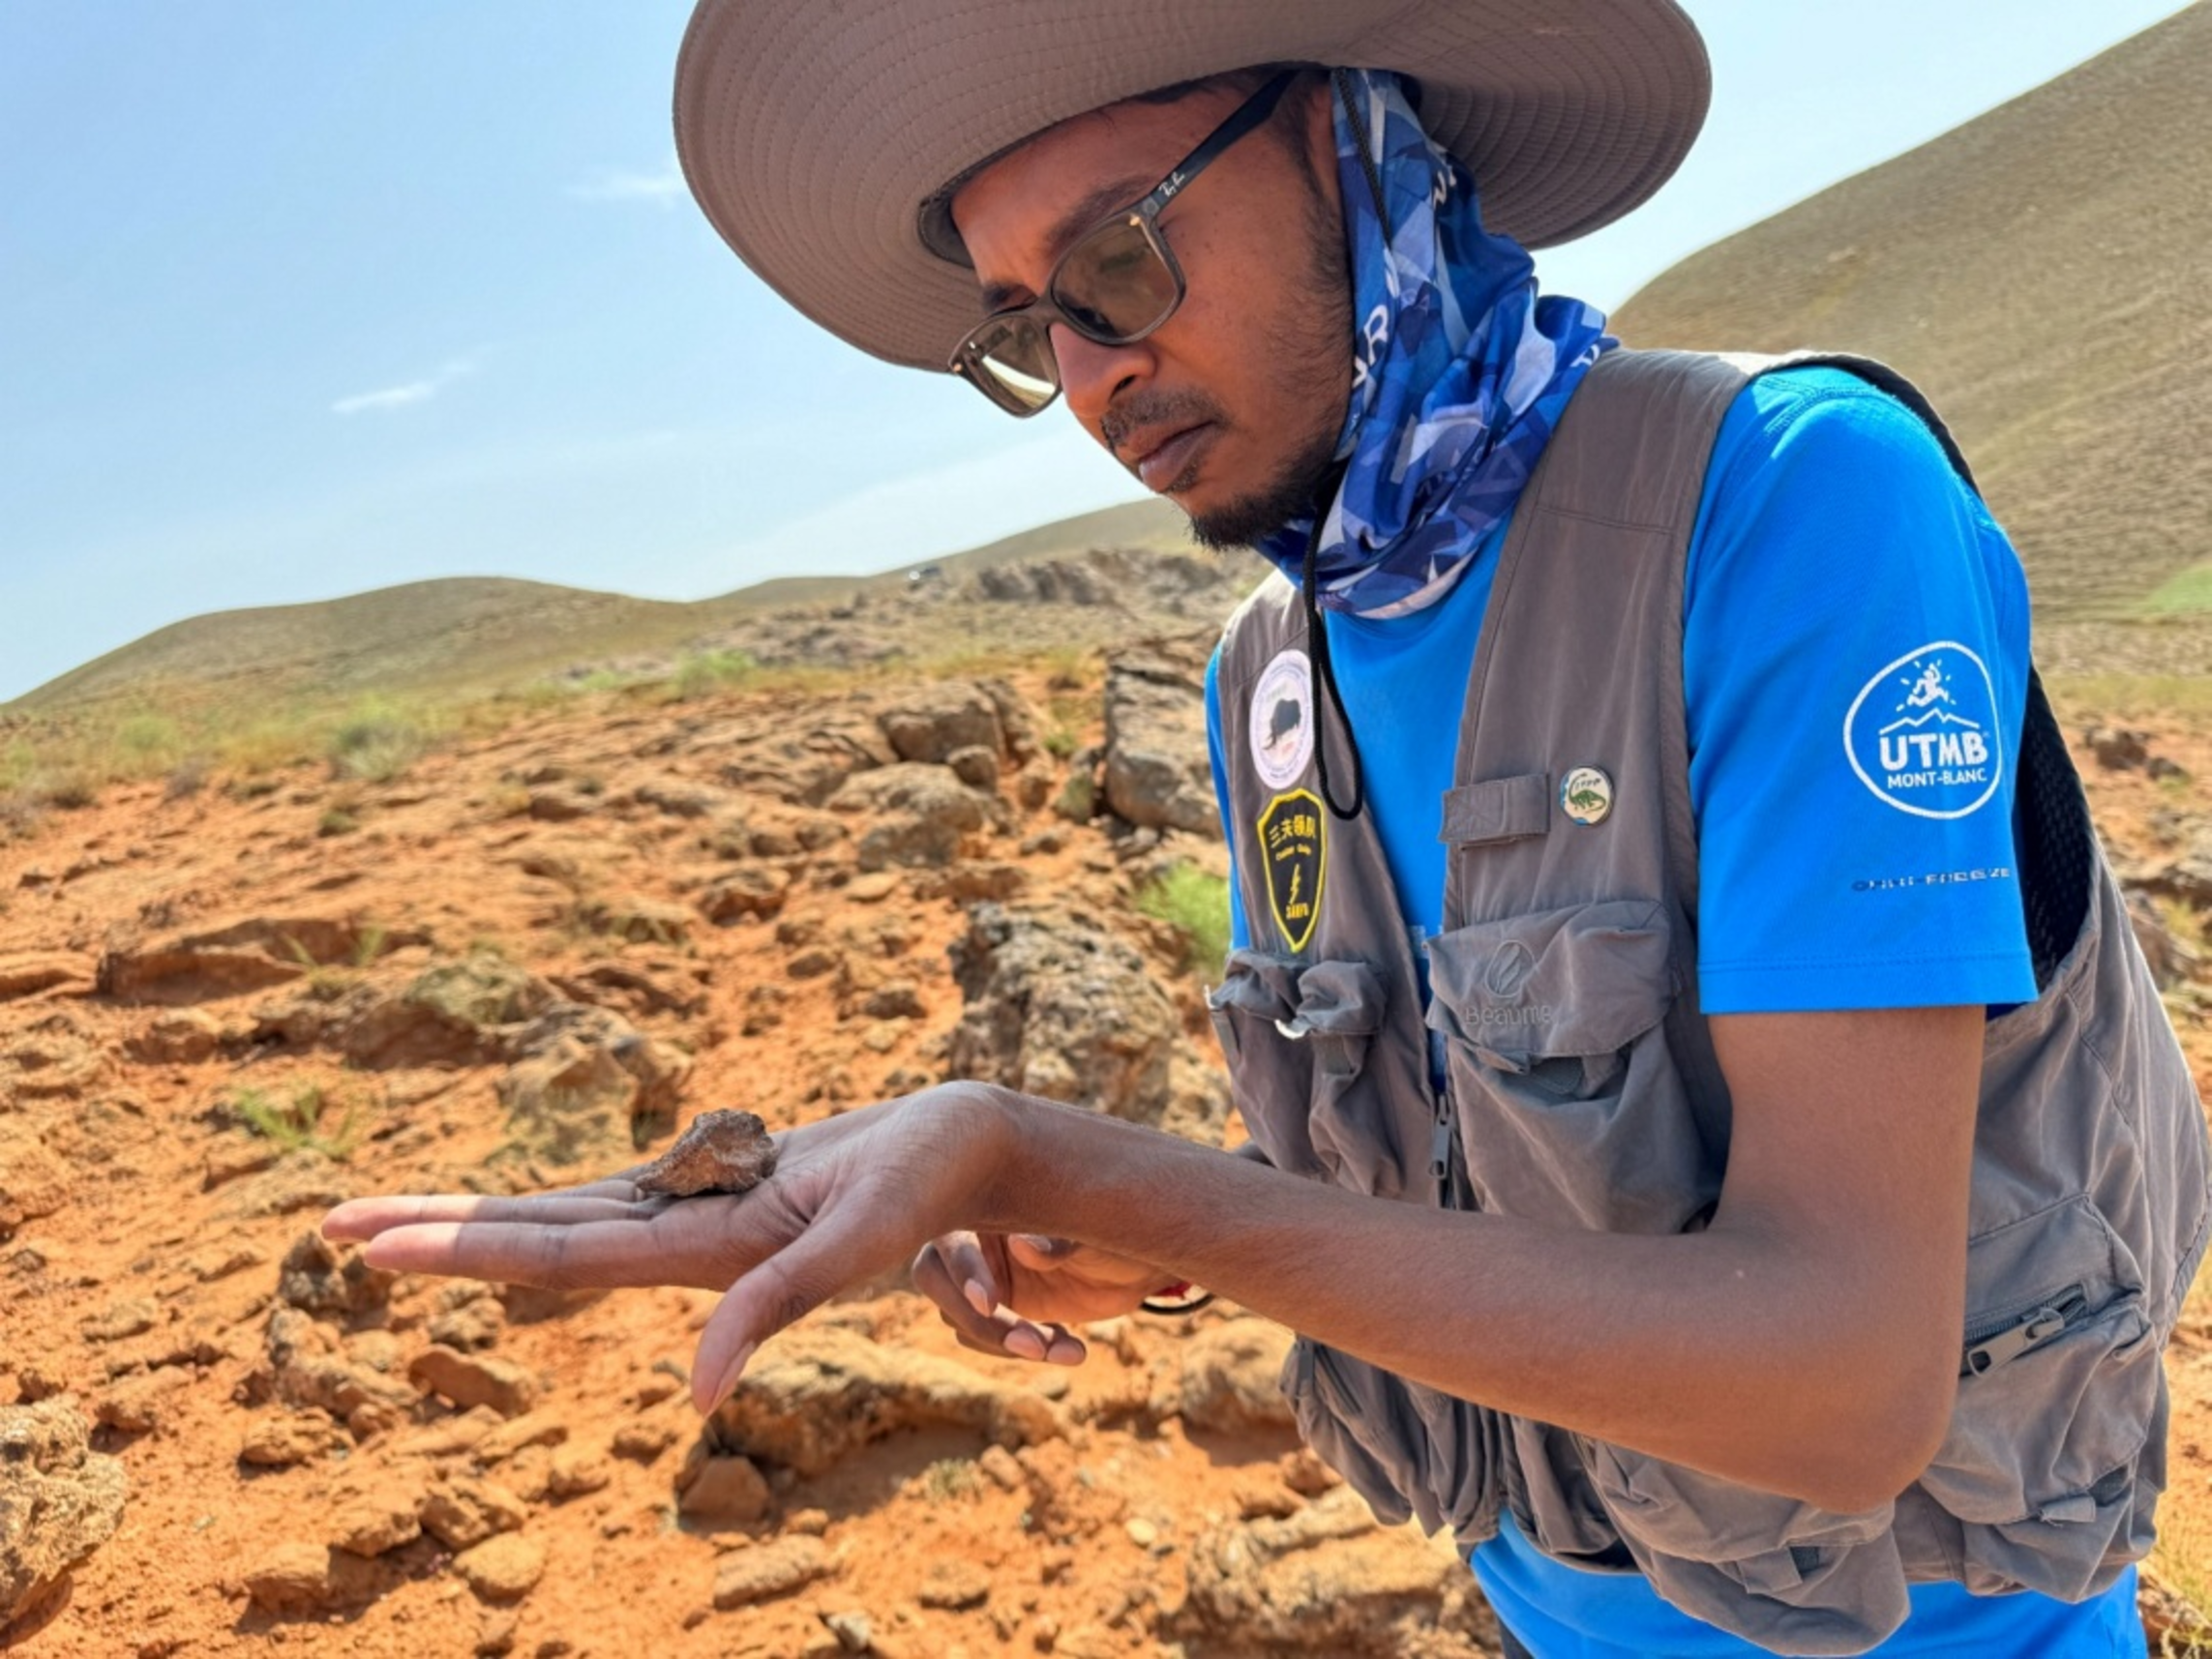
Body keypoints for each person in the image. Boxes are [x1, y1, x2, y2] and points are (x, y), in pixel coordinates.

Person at [324, 4, 2208, 1653]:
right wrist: (1088, 1228)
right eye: (1026, 326)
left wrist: (1086, 1165)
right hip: (1543, 1609)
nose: (1086, 377)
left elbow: (1846, 1377)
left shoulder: (1793, 502)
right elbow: (1445, 1166)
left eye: (1117, 262)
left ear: (1352, 143)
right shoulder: (1272, 676)